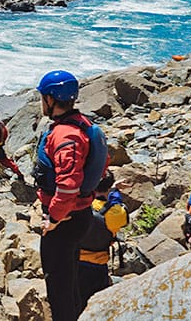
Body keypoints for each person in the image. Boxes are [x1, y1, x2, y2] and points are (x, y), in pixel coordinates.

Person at [32, 70, 109, 321]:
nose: (41, 102)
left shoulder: (66, 135)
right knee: (69, 277)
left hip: (65, 220)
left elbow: (67, 185)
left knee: (58, 286)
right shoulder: (82, 124)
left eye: (43, 98)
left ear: (52, 100)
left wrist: (53, 218)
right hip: (79, 214)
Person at [76, 174, 128, 314]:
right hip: (97, 267)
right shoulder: (115, 213)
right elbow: (118, 206)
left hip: (73, 262)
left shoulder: (79, 205)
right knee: (95, 308)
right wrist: (114, 191)